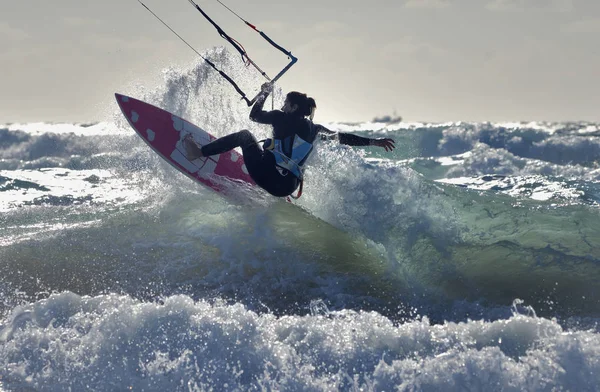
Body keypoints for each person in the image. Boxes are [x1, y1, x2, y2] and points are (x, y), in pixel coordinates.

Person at [184, 82, 396, 198]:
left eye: (286, 103)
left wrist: (264, 93)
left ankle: (198, 152)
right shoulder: (315, 129)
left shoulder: (281, 117)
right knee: (273, 153)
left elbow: (254, 116)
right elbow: (343, 138)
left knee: (245, 136)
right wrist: (374, 142)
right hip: (286, 188)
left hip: (267, 177)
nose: (283, 106)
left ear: (293, 107)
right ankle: (265, 188)